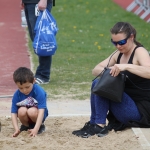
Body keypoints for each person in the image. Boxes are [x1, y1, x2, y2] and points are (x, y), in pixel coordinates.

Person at [72, 22, 150, 138]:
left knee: (100, 84)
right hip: (122, 105)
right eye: (114, 42)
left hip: (139, 111)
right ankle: (94, 123)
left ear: (132, 37)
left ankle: (99, 125)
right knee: (97, 83)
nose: (118, 46)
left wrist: (126, 67)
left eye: (122, 42)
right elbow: (95, 70)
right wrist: (112, 72)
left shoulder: (139, 51)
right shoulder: (118, 54)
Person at [22, 0, 53, 84]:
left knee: (42, 39)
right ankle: (41, 73)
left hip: (37, 3)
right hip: (29, 3)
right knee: (36, 38)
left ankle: (43, 75)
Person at [11, 67, 48, 137]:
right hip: (26, 116)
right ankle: (26, 126)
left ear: (33, 81)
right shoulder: (17, 94)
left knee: (31, 111)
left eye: (27, 87)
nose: (24, 90)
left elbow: (41, 111)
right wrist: (16, 129)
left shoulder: (39, 91)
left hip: (37, 114)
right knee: (21, 110)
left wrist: (36, 129)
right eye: (21, 88)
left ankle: (40, 126)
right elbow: (13, 113)